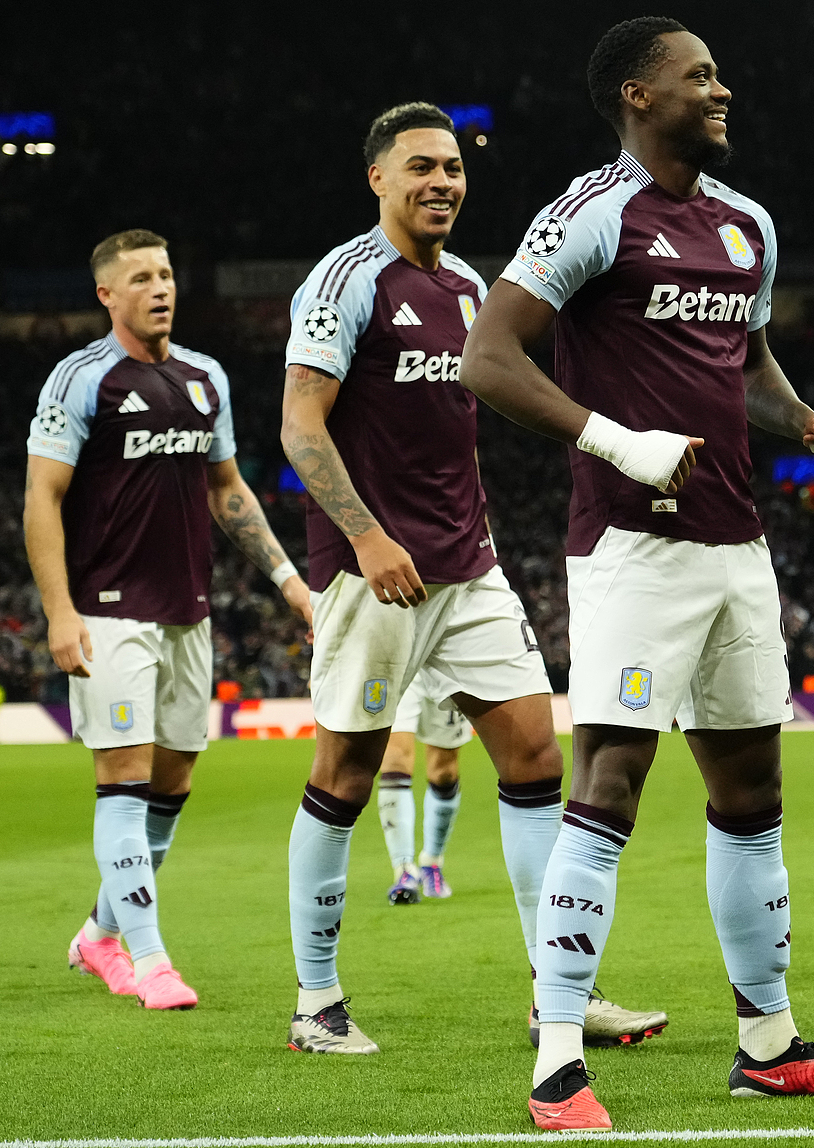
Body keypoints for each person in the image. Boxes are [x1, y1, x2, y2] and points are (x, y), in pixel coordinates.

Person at [463, 18, 814, 1130]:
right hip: (629, 545)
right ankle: (555, 1061)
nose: (721, 88)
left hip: (734, 543)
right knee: (606, 781)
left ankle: (767, 1042)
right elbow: (488, 358)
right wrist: (613, 440)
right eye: (697, 75)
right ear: (634, 93)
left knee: (750, 794)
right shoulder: (590, 212)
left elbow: (740, 359)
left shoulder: (746, 226)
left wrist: (802, 419)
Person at [280, 103, 664, 1058]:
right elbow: (300, 427)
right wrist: (366, 538)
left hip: (467, 565)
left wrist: (478, 531)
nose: (442, 181)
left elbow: (460, 438)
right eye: (420, 167)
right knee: (347, 773)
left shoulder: (466, 286)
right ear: (378, 178)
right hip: (372, 570)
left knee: (537, 753)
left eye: (453, 167)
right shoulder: (344, 279)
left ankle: (557, 992)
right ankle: (316, 1002)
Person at [27, 229, 311, 1012]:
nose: (160, 287)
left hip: (188, 611)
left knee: (174, 778)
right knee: (122, 778)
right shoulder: (81, 378)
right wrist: (59, 612)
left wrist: (290, 582)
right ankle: (149, 960)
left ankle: (98, 933)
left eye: (167, 274)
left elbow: (227, 490)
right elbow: (42, 496)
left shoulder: (204, 377)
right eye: (141, 278)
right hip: (109, 611)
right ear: (106, 295)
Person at [374, 684, 470, 903]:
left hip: (443, 667)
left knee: (444, 772)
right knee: (395, 758)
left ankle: (432, 862)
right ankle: (404, 869)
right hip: (398, 662)